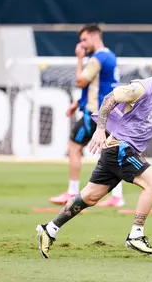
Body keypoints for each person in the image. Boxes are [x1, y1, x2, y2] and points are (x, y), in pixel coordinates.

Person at [36, 51, 152, 258]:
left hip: (121, 151)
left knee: (90, 197)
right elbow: (110, 98)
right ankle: (136, 235)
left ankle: (49, 229)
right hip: (120, 147)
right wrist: (99, 130)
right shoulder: (141, 88)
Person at [49, 24, 125, 208]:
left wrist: (79, 59)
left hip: (94, 113)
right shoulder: (110, 56)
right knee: (111, 150)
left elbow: (81, 81)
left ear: (93, 37)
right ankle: (117, 196)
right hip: (109, 111)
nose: (82, 44)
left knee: (74, 147)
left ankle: (72, 190)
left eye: (84, 40)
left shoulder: (96, 58)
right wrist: (77, 103)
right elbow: (98, 85)